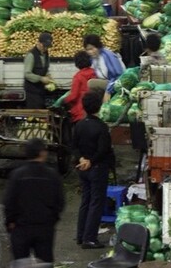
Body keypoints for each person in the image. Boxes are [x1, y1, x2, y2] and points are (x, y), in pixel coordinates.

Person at [4, 138, 64, 265]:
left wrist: (10, 221)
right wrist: (52, 220)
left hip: (21, 228)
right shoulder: (52, 175)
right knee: (44, 263)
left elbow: (9, 201)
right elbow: (60, 202)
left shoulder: (17, 175)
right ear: (42, 153)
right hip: (44, 228)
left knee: (21, 263)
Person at [72, 88, 115, 249]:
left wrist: (81, 159)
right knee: (96, 203)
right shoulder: (102, 127)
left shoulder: (79, 125)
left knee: (85, 201)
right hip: (97, 168)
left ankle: (80, 235)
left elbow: (73, 146)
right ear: (99, 107)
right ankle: (90, 239)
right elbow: (103, 149)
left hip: (82, 169)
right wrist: (91, 161)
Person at [23, 32, 58, 109]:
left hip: (40, 90)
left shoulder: (46, 54)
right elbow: (27, 74)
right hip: (32, 91)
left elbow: (46, 68)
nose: (45, 48)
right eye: (44, 46)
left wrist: (48, 76)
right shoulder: (31, 55)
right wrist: (41, 78)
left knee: (42, 111)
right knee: (35, 114)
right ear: (38, 42)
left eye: (47, 47)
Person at [64, 51, 97, 123]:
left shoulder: (78, 76)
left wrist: (64, 100)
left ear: (77, 63)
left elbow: (74, 96)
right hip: (94, 111)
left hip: (81, 112)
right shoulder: (95, 73)